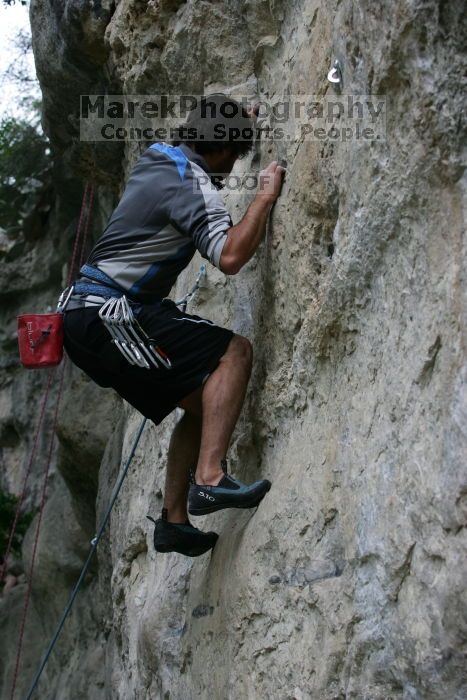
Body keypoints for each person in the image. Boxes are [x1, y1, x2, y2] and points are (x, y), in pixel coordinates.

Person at [63, 94, 285, 557]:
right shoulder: (195, 183)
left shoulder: (159, 157)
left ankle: (174, 522)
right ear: (222, 149)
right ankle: (209, 478)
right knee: (235, 353)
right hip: (109, 313)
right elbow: (229, 256)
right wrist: (264, 196)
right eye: (234, 156)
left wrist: (233, 119)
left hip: (87, 315)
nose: (230, 172)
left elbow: (206, 143)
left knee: (208, 396)